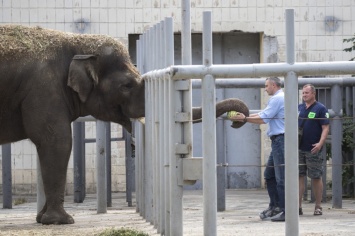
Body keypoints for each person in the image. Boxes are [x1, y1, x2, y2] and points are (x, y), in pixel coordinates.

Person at [230, 77, 285, 222]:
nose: (265, 89)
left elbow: (263, 119)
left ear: (274, 85)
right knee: (269, 175)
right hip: (277, 141)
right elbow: (263, 114)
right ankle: (275, 206)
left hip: (281, 140)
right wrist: (245, 117)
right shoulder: (278, 98)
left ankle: (285, 209)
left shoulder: (277, 99)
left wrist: (245, 119)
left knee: (281, 178)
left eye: (266, 86)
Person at [298, 84, 329, 216]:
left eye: (307, 93)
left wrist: (320, 144)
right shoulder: (299, 108)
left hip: (313, 149)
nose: (304, 95)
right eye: (303, 93)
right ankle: (297, 206)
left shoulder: (320, 108)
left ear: (313, 94)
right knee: (299, 176)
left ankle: (318, 206)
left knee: (316, 177)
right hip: (299, 148)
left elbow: (325, 128)